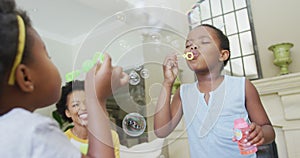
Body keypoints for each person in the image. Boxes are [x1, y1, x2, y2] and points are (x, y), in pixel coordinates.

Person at [0, 0, 129, 157]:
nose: (82, 107)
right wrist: (96, 98)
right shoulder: (35, 132)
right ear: (25, 77)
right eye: (48, 56)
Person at [154, 24, 275, 158]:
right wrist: (167, 82)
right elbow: (161, 131)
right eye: (188, 45)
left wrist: (260, 133)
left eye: (204, 42)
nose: (193, 47)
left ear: (222, 55)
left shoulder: (242, 86)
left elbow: (268, 130)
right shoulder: (183, 93)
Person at [56, 80, 120, 157]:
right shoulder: (62, 141)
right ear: (68, 113)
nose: (83, 108)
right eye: (75, 105)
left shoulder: (111, 136)